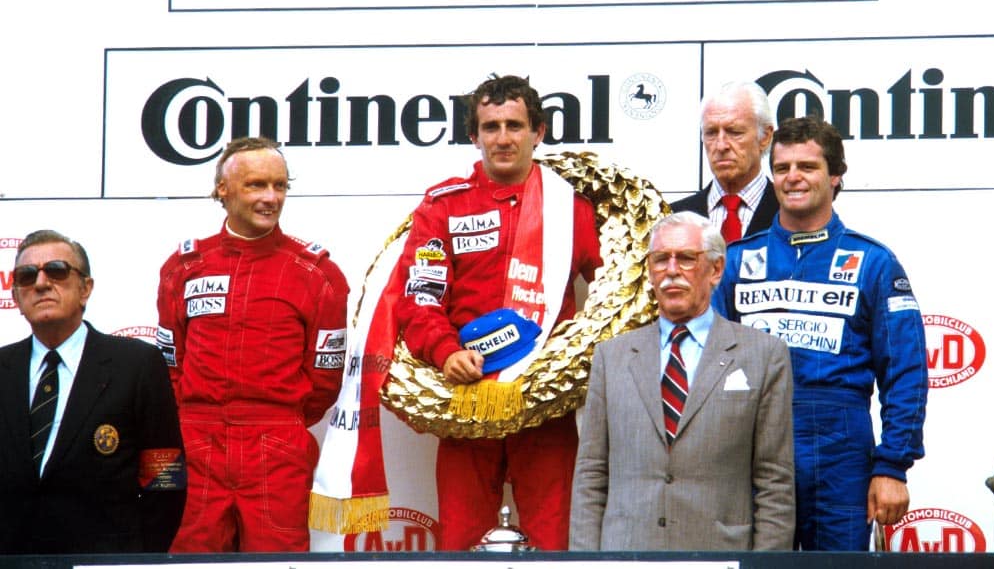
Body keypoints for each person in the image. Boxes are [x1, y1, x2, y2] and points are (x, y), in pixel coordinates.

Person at [395, 74, 603, 550]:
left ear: (539, 133)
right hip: (466, 396)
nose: (503, 138)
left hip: (544, 403)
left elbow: (612, 292)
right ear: (474, 136)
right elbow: (420, 297)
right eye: (491, 127)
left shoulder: (570, 208)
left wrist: (576, 356)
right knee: (461, 543)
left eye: (514, 125)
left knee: (556, 542)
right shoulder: (443, 206)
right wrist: (445, 351)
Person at [713, 115, 929, 551]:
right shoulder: (735, 262)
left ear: (835, 177)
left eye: (807, 167)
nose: (792, 177)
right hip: (751, 443)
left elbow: (905, 372)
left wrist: (892, 467)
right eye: (782, 167)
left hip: (840, 446)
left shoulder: (873, 262)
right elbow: (704, 364)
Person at [156, 136, 350, 552]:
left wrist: (274, 422)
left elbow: (324, 381)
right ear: (222, 190)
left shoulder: (318, 274)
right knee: (189, 559)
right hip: (196, 440)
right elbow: (170, 365)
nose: (271, 198)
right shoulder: (183, 268)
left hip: (277, 442)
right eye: (257, 185)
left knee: (275, 564)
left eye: (280, 186)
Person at [570, 212, 794, 551]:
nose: (671, 270)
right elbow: (591, 474)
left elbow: (774, 482)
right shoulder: (611, 357)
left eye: (687, 258)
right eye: (661, 259)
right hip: (626, 554)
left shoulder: (763, 355)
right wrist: (586, 563)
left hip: (719, 554)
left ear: (716, 270)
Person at [0, 230, 185, 554]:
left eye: (56, 270)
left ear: (85, 288)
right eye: (27, 276)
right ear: (15, 296)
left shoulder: (137, 364)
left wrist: (137, 559)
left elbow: (165, 480)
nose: (41, 283)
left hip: (104, 560)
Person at [671, 81, 778, 243]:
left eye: (735, 132)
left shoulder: (793, 214)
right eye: (711, 133)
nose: (721, 145)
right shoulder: (673, 218)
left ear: (765, 137)